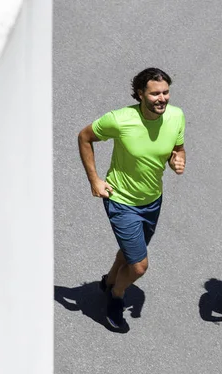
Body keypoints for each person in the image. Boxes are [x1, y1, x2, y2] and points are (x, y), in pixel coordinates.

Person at [78, 67, 186, 331]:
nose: (162, 99)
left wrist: (178, 160)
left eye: (165, 92)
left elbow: (178, 148)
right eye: (155, 94)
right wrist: (94, 180)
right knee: (138, 266)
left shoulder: (176, 116)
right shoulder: (120, 119)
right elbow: (84, 137)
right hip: (121, 200)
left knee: (130, 254)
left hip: (153, 201)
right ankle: (116, 296)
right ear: (140, 94)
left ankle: (109, 281)